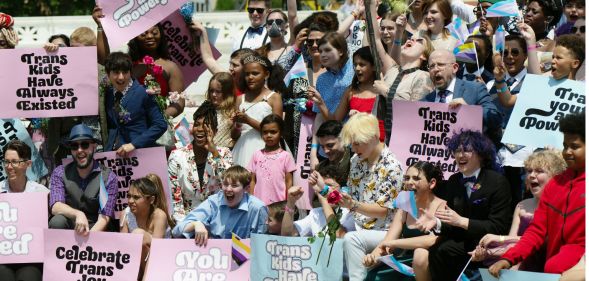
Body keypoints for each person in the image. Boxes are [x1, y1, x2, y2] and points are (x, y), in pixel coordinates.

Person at [489, 112, 585, 276]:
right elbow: (537, 230)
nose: (568, 151)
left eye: (574, 146)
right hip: (552, 272)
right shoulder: (555, 184)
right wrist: (509, 258)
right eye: (565, 146)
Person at [414, 130, 511, 281]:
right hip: (463, 242)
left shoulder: (497, 182)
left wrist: (462, 221)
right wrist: (437, 222)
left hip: (488, 243)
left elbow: (499, 226)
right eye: (457, 150)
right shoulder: (453, 181)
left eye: (467, 150)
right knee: (439, 250)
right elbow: (453, 226)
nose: (460, 155)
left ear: (480, 154)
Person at [472, 150, 566, 268]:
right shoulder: (522, 205)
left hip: (546, 268)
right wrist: (486, 253)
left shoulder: (562, 207)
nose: (532, 175)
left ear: (556, 176)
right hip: (519, 267)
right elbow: (510, 246)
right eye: (529, 171)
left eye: (539, 171)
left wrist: (500, 238)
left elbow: (543, 242)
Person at [339, 113, 404, 281]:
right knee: (326, 232)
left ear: (374, 137)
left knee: (352, 239)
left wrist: (352, 205)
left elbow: (382, 211)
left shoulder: (392, 167)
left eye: (357, 143)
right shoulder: (356, 160)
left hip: (384, 231)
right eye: (351, 144)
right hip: (356, 222)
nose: (353, 148)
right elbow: (352, 196)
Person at [93, 6, 185, 117]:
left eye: (155, 32)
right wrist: (100, 26)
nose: (150, 36)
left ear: (161, 35)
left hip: (157, 128)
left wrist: (158, 119)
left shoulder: (171, 67)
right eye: (144, 33)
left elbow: (179, 102)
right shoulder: (126, 62)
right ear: (135, 37)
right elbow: (104, 60)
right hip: (129, 125)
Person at [363, 161, 446, 281]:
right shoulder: (405, 202)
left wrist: (395, 244)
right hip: (406, 263)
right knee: (374, 277)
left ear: (432, 183)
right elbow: (387, 242)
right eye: (407, 178)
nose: (409, 182)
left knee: (420, 255)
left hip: (431, 263)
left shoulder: (442, 206)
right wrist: (372, 257)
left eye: (416, 178)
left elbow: (432, 240)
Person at [168, 101, 233, 223]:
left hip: (218, 220)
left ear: (215, 130)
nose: (200, 129)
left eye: (206, 125)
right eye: (197, 124)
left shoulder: (224, 153)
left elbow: (229, 184)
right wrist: (185, 227)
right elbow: (175, 199)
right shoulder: (176, 156)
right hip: (187, 221)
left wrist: (215, 153)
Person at [171, 165, 268, 245]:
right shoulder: (214, 202)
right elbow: (176, 231)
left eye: (234, 186)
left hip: (244, 260)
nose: (228, 189)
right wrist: (196, 224)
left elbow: (261, 246)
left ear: (246, 189)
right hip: (215, 257)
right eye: (225, 184)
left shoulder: (258, 208)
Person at [48, 124, 118, 234]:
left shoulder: (109, 177)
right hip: (71, 226)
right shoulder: (59, 172)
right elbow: (56, 206)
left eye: (85, 145)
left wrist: (88, 240)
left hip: (96, 229)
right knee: (57, 221)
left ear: (94, 146)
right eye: (74, 146)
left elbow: (105, 216)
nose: (80, 150)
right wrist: (78, 214)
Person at [312, 46, 386, 142]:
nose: (357, 68)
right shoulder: (350, 91)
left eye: (362, 64)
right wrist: (320, 103)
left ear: (373, 66)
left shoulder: (383, 90)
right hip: (357, 148)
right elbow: (335, 120)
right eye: (355, 64)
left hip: (380, 145)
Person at [422, 49, 502, 134]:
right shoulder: (423, 103)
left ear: (455, 68)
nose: (435, 69)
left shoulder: (475, 89)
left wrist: (469, 110)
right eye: (431, 66)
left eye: (440, 65)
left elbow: (496, 119)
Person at [103, 52, 167, 156]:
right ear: (107, 73)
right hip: (113, 154)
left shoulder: (144, 93)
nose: (121, 77)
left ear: (130, 72)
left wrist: (134, 144)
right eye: (116, 72)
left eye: (125, 72)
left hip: (139, 153)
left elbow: (160, 125)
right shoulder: (108, 94)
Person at [0, 140, 48, 281]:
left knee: (29, 277)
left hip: (30, 259)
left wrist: (78, 213)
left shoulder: (40, 192)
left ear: (28, 164)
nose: (9, 167)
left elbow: (56, 206)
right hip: (2, 258)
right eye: (6, 162)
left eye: (14, 162)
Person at [308, 32, 354, 170]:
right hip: (327, 151)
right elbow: (319, 118)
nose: (322, 54)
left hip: (352, 146)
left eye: (327, 50)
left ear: (340, 51)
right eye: (320, 51)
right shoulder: (322, 80)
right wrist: (313, 152)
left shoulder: (355, 69)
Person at [232, 54, 283, 167]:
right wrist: (238, 125)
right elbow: (234, 135)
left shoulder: (274, 97)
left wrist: (248, 120)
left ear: (266, 74)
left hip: (266, 147)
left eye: (255, 73)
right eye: (247, 74)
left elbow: (277, 130)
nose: (250, 77)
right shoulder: (240, 99)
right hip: (242, 148)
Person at [120, 175, 175, 280]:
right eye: (129, 196)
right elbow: (124, 248)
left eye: (136, 197)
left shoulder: (159, 215)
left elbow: (156, 250)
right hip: (136, 264)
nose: (130, 201)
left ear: (151, 200)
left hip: (162, 263)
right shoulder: (125, 214)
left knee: (138, 234)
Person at [282, 165, 356, 237]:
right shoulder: (315, 213)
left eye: (329, 186)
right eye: (321, 186)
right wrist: (290, 203)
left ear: (342, 189)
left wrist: (323, 197)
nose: (323, 189)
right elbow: (287, 235)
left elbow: (338, 236)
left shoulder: (350, 212)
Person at [248, 114, 296, 205]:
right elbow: (252, 180)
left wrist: (288, 202)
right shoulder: (256, 155)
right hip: (258, 203)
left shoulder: (286, 156)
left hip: (279, 204)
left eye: (273, 132)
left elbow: (288, 181)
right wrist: (251, 199)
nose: (268, 135)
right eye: (265, 132)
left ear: (281, 133)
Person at [314, 120, 352, 187]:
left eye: (330, 145)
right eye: (322, 147)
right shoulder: (320, 168)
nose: (326, 151)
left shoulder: (356, 160)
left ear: (343, 139)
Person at [205, 72, 238, 148]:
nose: (213, 94)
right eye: (211, 91)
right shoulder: (206, 109)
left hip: (225, 153)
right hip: (206, 152)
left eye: (218, 91)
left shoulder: (232, 112)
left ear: (227, 92)